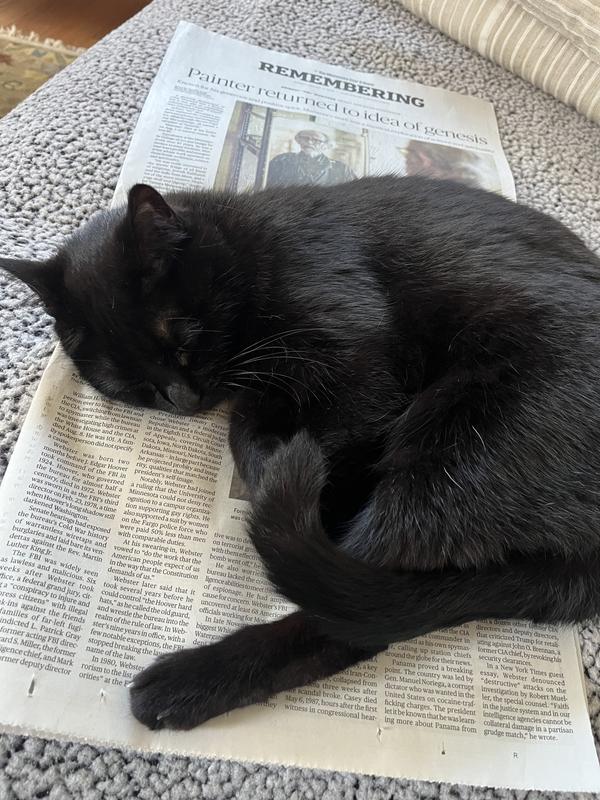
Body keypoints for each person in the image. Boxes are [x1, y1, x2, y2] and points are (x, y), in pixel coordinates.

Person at [266, 129, 356, 187]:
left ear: (326, 146)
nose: (309, 142)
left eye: (316, 140)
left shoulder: (342, 169)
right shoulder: (282, 161)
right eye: (305, 138)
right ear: (298, 141)